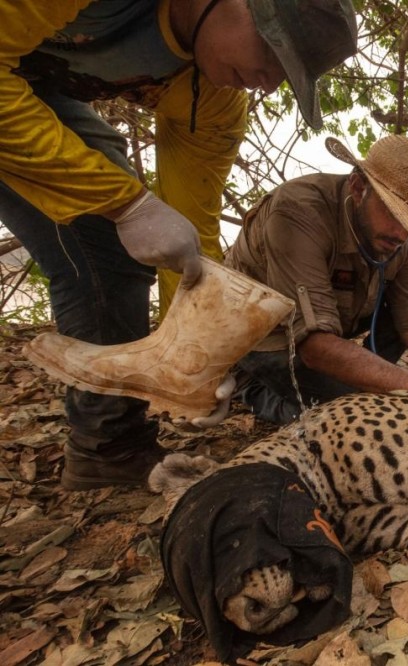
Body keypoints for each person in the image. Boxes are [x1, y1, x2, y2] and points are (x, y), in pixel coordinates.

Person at [0, 0, 358, 489]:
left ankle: (108, 445)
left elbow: (187, 243)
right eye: (273, 53)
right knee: (102, 232)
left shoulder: (215, 102)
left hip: (31, 89)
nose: (268, 82)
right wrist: (127, 205)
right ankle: (108, 443)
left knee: (117, 258)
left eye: (287, 77)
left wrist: (199, 363)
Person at [226, 134, 408, 424]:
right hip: (267, 335)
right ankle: (252, 388)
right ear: (358, 188)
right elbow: (315, 346)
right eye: (393, 214)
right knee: (350, 414)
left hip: (330, 323)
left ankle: (365, 371)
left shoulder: (402, 239)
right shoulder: (297, 213)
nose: (401, 234)